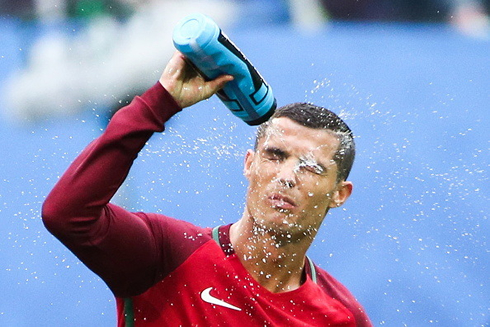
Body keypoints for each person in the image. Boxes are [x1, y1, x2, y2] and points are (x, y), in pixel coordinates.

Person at [42, 51, 372, 326]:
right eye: (275, 156)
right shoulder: (167, 254)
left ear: (339, 194)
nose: (287, 176)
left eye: (312, 168)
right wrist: (158, 103)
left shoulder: (341, 316)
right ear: (249, 164)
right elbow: (66, 214)